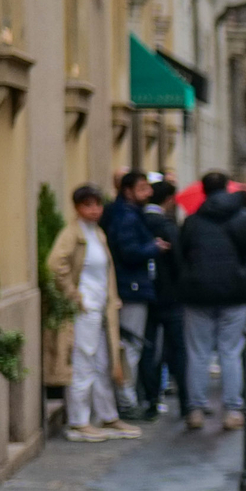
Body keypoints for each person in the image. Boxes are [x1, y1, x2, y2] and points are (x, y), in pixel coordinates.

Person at [44, 185, 139, 443]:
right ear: (77, 207)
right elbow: (55, 265)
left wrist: (111, 297)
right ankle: (78, 421)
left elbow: (104, 271)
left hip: (101, 309)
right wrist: (75, 296)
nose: (95, 209)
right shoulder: (72, 234)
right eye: (88, 205)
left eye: (97, 204)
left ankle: (107, 416)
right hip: (84, 310)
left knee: (103, 362)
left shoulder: (97, 233)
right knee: (83, 362)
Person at [178, 170, 246, 431]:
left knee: (198, 353)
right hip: (234, 291)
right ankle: (233, 410)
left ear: (203, 191)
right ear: (227, 188)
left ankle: (195, 408)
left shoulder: (193, 221)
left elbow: (182, 253)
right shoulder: (243, 217)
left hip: (198, 291)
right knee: (231, 352)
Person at [101, 171, 162, 420]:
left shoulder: (123, 213)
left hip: (128, 286)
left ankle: (124, 398)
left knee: (126, 346)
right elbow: (128, 251)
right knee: (130, 347)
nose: (148, 193)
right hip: (131, 288)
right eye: (143, 188)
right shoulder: (127, 215)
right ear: (127, 191)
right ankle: (126, 400)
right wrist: (154, 247)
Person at [142, 177, 188, 422]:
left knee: (147, 348)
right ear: (169, 200)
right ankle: (186, 402)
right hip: (171, 297)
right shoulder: (168, 226)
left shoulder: (139, 221)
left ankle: (150, 399)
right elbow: (179, 262)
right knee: (177, 349)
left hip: (145, 295)